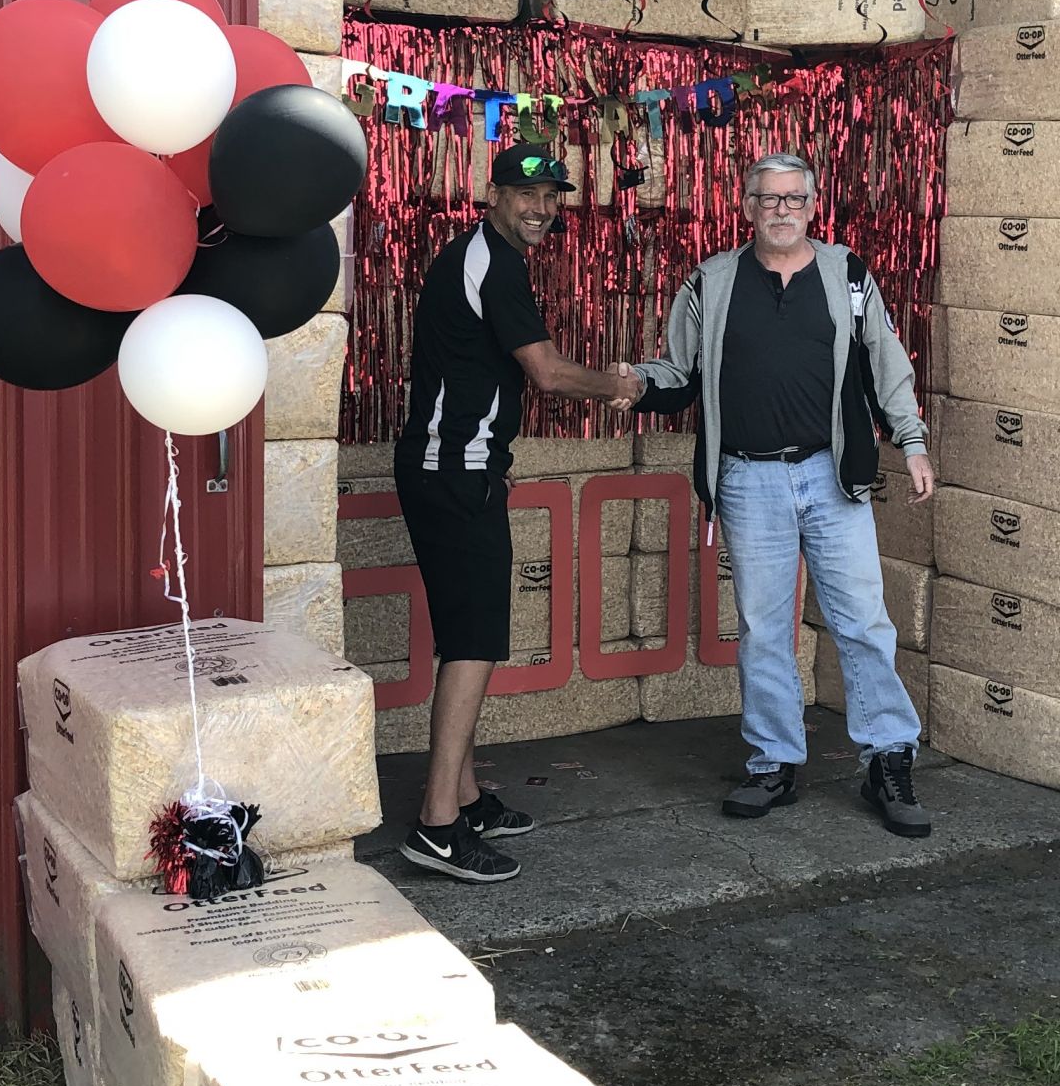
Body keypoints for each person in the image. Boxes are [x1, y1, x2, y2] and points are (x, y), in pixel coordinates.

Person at [619, 152, 938, 837]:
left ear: (813, 205)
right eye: (768, 198)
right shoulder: (711, 281)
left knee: (861, 621)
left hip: (831, 474)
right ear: (748, 206)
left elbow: (886, 362)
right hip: (747, 475)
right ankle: (774, 761)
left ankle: (887, 759)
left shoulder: (847, 274)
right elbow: (678, 369)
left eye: (794, 198)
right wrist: (633, 382)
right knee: (765, 627)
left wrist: (910, 441)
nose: (782, 209)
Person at [395, 142, 643, 884]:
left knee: (464, 640)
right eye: (526, 195)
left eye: (552, 198)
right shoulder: (493, 266)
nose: (541, 210)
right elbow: (546, 372)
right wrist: (618, 387)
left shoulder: (481, 257)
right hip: (455, 474)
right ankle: (437, 827)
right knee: (473, 643)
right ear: (494, 194)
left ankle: (464, 800)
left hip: (454, 472)